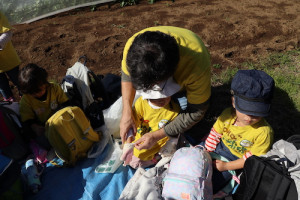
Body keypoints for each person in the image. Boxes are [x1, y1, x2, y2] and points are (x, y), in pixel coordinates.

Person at [120, 26, 211, 151]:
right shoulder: (133, 49)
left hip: (188, 73)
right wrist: (127, 112)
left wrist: (158, 135)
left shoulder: (196, 66)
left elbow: (197, 111)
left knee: (185, 115)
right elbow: (126, 76)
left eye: (159, 89)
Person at [204, 69, 275, 193]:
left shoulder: (263, 133)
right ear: (234, 102)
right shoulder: (227, 115)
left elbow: (250, 159)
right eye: (246, 111)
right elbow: (216, 133)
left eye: (256, 114)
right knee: (194, 158)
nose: (249, 118)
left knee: (212, 183)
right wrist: (207, 150)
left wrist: (226, 166)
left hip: (235, 160)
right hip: (218, 146)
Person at [121, 77, 181, 168]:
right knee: (134, 162)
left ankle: (155, 159)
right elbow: (132, 124)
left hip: (159, 145)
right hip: (140, 142)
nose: (162, 100)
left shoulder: (175, 110)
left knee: (138, 163)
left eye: (165, 96)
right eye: (156, 98)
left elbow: (175, 129)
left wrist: (172, 142)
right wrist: (128, 143)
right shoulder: (141, 104)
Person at [19, 64, 69, 149]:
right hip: (44, 128)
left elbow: (66, 104)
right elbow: (27, 120)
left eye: (39, 91)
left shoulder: (54, 88)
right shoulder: (26, 100)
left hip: (61, 120)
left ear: (45, 82)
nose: (36, 94)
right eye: (32, 93)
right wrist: (35, 127)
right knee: (45, 143)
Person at [0, 12, 21, 102]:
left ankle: (29, 104)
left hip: (9, 59)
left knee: (20, 83)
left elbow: (7, 34)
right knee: (3, 88)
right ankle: (12, 108)